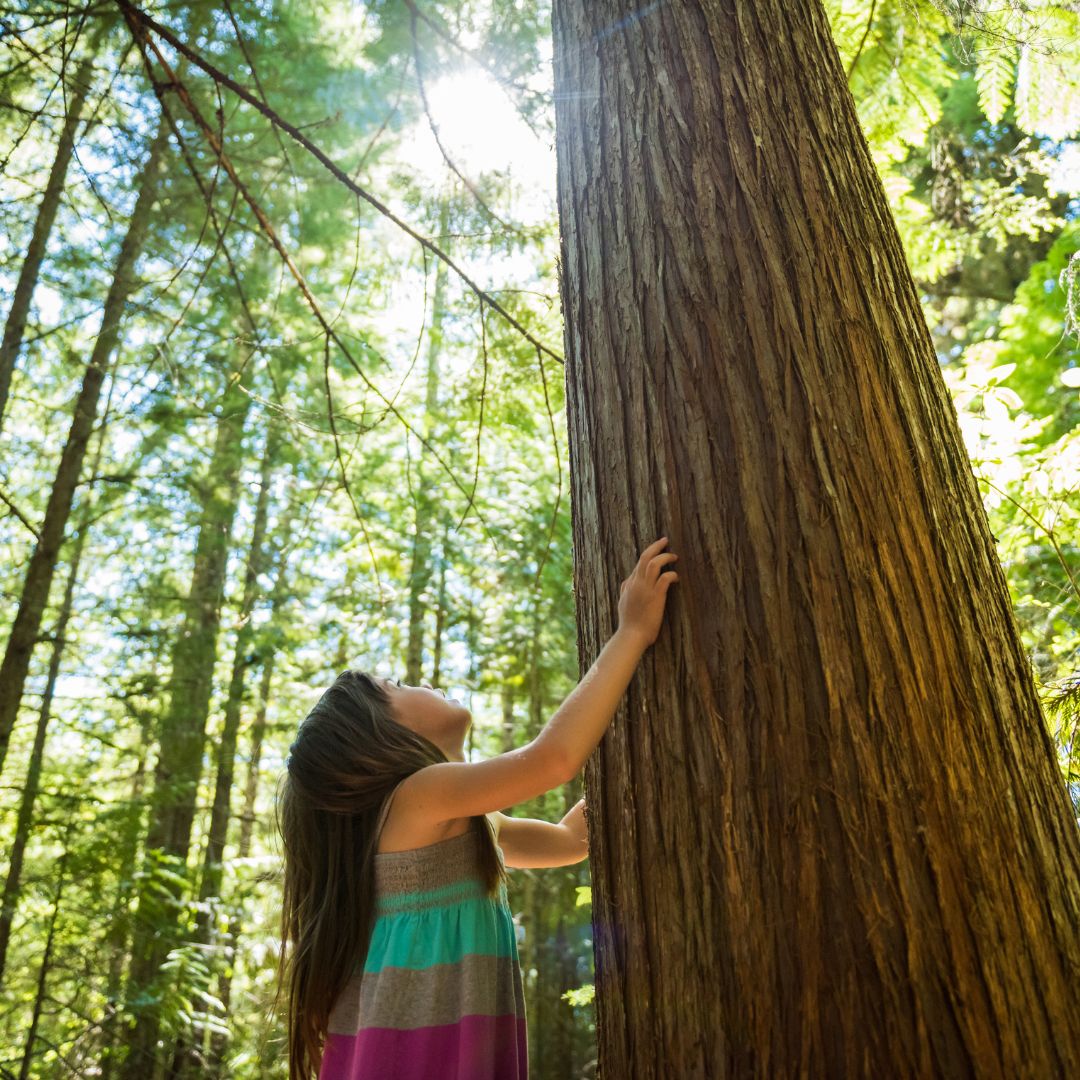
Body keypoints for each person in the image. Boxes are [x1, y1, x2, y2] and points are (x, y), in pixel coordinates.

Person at [276, 536, 679, 1079]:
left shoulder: (460, 823)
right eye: (395, 685)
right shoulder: (416, 797)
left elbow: (569, 843)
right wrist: (632, 631)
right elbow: (552, 760)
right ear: (376, 737)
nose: (418, 680)